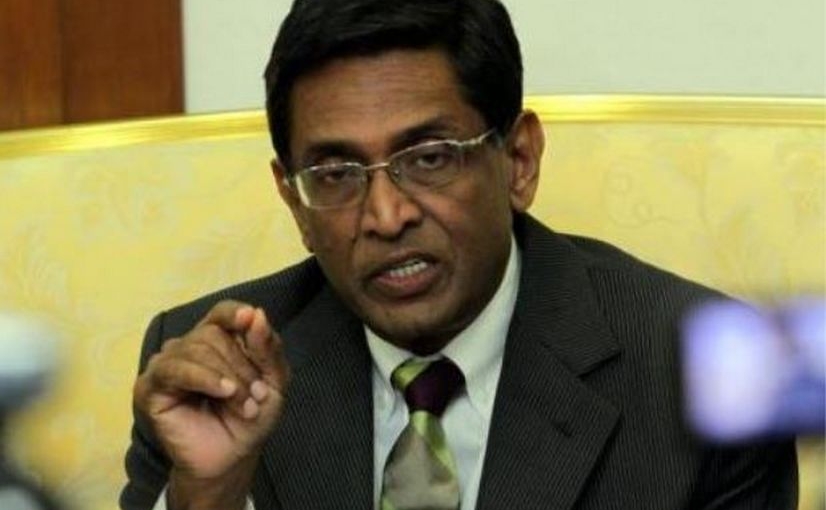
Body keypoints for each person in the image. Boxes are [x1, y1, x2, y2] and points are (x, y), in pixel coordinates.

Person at [120, 0, 798, 508]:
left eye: (430, 158)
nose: (386, 216)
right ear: (294, 201)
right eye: (336, 175)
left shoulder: (708, 376)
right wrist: (208, 496)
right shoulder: (212, 379)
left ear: (519, 161)